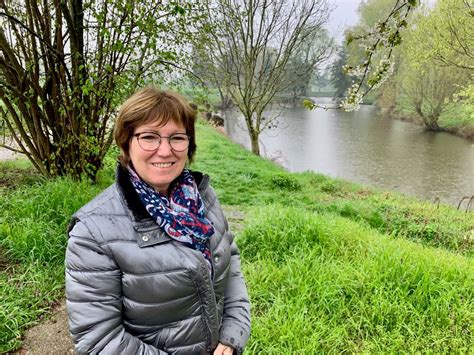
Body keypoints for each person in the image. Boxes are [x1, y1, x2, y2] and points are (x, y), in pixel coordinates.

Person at [65, 87, 251, 354]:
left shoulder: (203, 197)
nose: (165, 151)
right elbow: (99, 340)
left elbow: (230, 263)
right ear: (126, 142)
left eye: (177, 137)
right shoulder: (93, 232)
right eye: (149, 137)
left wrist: (232, 336)